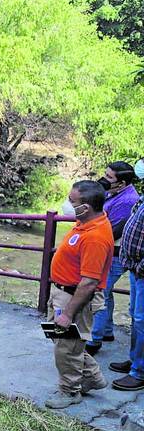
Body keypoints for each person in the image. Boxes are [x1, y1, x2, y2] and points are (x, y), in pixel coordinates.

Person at [44, 180, 112, 409]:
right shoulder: (85, 223)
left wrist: (69, 313)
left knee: (67, 347)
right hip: (62, 292)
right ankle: (93, 377)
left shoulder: (96, 236)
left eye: (72, 201)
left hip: (74, 297)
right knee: (66, 342)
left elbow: (89, 282)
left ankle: (70, 391)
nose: (67, 204)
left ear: (86, 207)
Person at [87, 161, 141, 355]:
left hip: (115, 254)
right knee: (106, 292)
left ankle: (94, 339)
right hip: (111, 251)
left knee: (98, 293)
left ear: (123, 182)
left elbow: (111, 230)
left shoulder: (127, 200)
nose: (105, 179)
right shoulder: (116, 193)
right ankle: (106, 331)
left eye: (110, 178)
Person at [110, 158, 144, 392]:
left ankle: (139, 372)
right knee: (136, 316)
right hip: (136, 268)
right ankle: (135, 361)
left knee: (142, 319)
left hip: (141, 269)